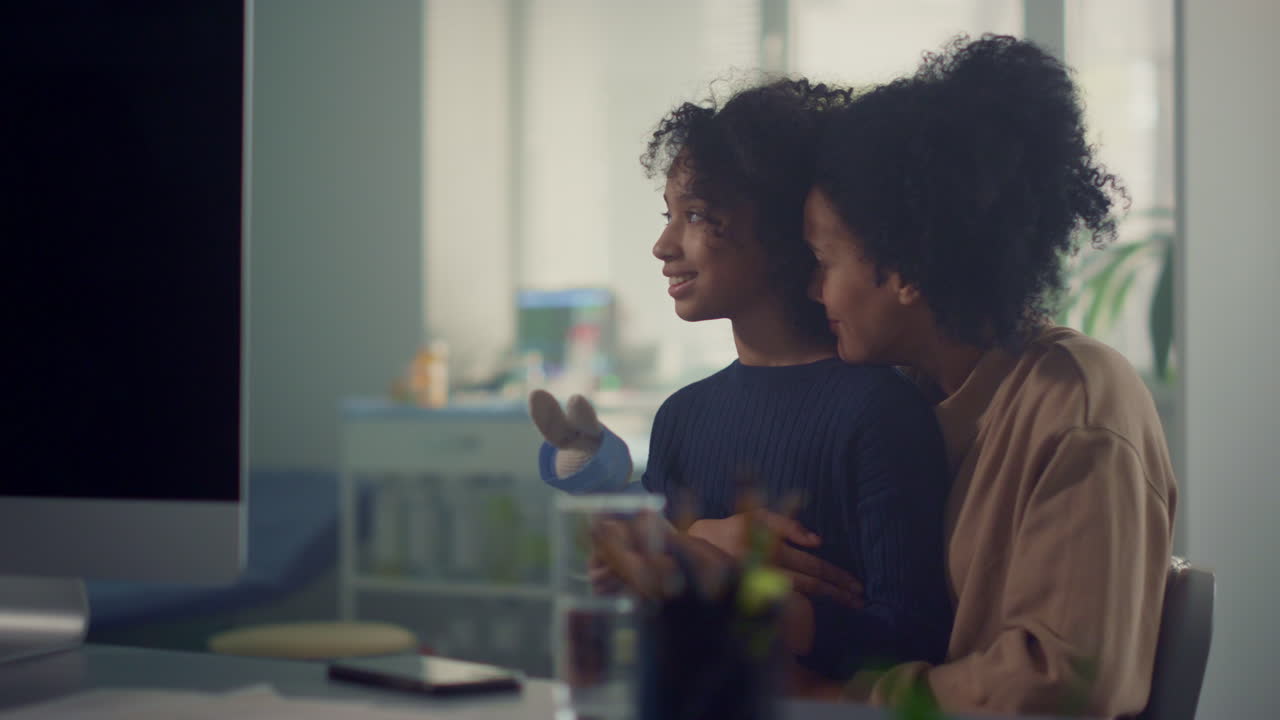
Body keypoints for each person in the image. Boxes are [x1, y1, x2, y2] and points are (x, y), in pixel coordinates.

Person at [797, 35, 1177, 717]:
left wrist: (853, 700)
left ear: (905, 269)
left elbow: (1062, 679)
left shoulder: (1079, 409)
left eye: (826, 259)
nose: (814, 289)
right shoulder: (902, 399)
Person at [529, 78, 954, 681]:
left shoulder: (880, 413)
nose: (662, 244)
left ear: (785, 232)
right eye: (668, 215)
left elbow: (911, 643)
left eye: (698, 215)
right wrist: (641, 564)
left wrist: (726, 580)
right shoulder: (682, 416)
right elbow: (650, 606)